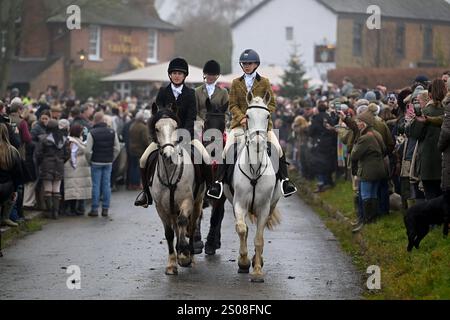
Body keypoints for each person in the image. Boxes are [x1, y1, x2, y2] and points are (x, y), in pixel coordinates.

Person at [207, 49, 297, 199]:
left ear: (256, 64)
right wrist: (242, 118)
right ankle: (218, 183)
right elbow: (233, 105)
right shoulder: (236, 82)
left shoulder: (265, 82)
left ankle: (285, 182)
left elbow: (272, 104)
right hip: (239, 125)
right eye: (244, 63)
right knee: (226, 150)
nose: (246, 66)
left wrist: (261, 114)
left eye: (249, 63)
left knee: (278, 149)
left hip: (261, 126)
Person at [135, 57, 211, 207]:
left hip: (185, 135)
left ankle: (209, 190)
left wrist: (184, 135)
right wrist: (160, 136)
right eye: (174, 73)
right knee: (143, 159)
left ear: (184, 76)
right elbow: (156, 116)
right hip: (164, 137)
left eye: (180, 73)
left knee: (206, 156)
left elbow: (191, 116)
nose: (177, 75)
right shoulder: (163, 91)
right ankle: (146, 193)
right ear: (170, 75)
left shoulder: (190, 93)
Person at [350, 111, 388, 233]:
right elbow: (384, 149)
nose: (357, 124)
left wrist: (355, 146)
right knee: (373, 195)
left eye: (359, 122)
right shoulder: (376, 134)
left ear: (364, 123)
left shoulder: (365, 137)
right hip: (379, 169)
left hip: (368, 170)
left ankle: (367, 221)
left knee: (366, 196)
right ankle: (372, 221)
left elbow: (354, 155)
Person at [85, 112, 120, 217]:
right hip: (108, 162)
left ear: (94, 120)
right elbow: (117, 148)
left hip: (96, 161)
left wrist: (89, 160)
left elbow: (87, 151)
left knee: (96, 185)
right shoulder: (112, 132)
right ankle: (105, 208)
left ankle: (94, 209)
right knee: (106, 185)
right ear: (104, 120)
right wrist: (112, 158)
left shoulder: (92, 133)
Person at [35, 119, 70, 219]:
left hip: (46, 164)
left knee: (48, 189)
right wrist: (61, 160)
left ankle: (49, 211)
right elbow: (67, 154)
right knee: (56, 188)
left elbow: (38, 153)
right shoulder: (63, 139)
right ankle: (56, 212)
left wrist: (41, 162)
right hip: (59, 165)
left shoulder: (43, 139)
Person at [63, 124, 92, 216]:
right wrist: (74, 165)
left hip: (77, 168)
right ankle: (72, 210)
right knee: (74, 189)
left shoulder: (76, 140)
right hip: (75, 168)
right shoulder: (73, 141)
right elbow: (73, 154)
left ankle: (74, 209)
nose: (82, 132)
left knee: (75, 189)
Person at [0, 123, 24, 227]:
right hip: (7, 186)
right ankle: (5, 218)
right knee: (14, 195)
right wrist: (14, 189)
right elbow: (17, 173)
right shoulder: (13, 151)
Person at [128, 110, 151, 189]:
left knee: (132, 167)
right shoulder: (143, 127)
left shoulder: (132, 125)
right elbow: (145, 140)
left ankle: (131, 183)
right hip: (140, 151)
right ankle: (137, 184)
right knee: (138, 168)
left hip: (132, 149)